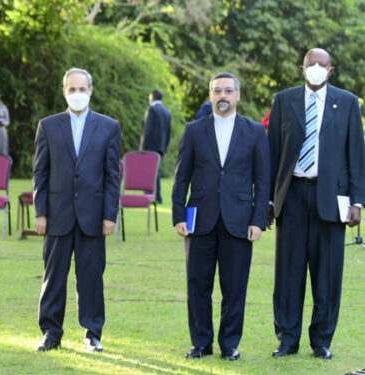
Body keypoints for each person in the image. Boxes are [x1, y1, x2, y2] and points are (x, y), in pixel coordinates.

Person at [267, 48, 365, 360]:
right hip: (292, 195)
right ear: (302, 68)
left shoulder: (348, 102)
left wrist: (358, 202)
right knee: (288, 272)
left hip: (332, 199)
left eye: (323, 65)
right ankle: (287, 338)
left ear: (331, 70)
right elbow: (273, 154)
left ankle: (321, 339)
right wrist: (270, 201)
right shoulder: (284, 100)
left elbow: (357, 158)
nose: (317, 68)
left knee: (328, 274)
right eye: (312, 64)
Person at [172, 72, 270, 361]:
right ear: (211, 95)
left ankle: (229, 344)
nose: (223, 96)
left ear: (238, 95)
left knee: (235, 286)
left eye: (228, 91)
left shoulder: (254, 132)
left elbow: (262, 181)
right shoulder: (193, 130)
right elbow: (181, 178)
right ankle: (201, 343)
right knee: (197, 284)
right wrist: (178, 215)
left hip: (239, 220)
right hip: (199, 220)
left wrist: (258, 219)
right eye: (217, 91)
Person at [33, 67, 120, 352]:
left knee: (92, 278)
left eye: (82, 89)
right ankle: (50, 332)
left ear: (90, 91)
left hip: (93, 217)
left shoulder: (109, 127)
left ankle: (93, 333)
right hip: (57, 215)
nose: (78, 94)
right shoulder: (48, 126)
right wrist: (40, 212)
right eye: (72, 89)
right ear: (64, 91)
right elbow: (40, 174)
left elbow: (111, 177)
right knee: (53, 277)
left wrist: (110, 216)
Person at [140, 89, 172, 203]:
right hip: (160, 148)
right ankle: (157, 196)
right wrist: (165, 149)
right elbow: (168, 133)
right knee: (156, 171)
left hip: (150, 146)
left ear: (152, 97)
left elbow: (147, 129)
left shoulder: (152, 109)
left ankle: (148, 195)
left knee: (148, 171)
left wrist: (143, 145)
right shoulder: (167, 112)